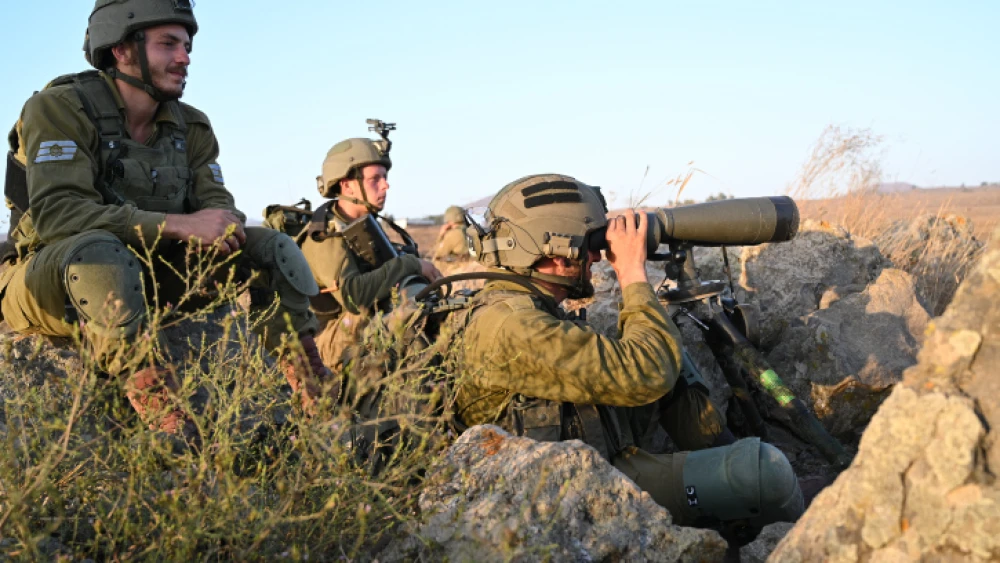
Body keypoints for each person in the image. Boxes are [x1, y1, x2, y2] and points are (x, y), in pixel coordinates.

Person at [0, 0, 335, 436]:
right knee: (99, 253)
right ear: (121, 49)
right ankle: (166, 418)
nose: (185, 57)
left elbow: (220, 207)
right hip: (53, 279)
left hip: (150, 277)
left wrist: (223, 225)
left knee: (272, 247)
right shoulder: (59, 108)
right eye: (168, 44)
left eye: (187, 44)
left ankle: (312, 392)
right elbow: (58, 215)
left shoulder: (190, 126)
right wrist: (179, 225)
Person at [450, 173, 804, 530]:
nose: (597, 258)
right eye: (589, 244)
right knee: (765, 473)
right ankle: (761, 519)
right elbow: (648, 372)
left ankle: (722, 461)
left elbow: (655, 363)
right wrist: (632, 272)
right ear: (556, 253)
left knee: (669, 352)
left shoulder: (517, 305)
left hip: (592, 448)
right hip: (570, 497)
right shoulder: (511, 326)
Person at [298, 133, 442, 371]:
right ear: (347, 186)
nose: (385, 185)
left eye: (384, 177)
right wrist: (410, 265)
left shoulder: (364, 224)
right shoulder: (324, 235)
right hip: (328, 341)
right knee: (407, 313)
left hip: (355, 325)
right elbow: (355, 298)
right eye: (375, 179)